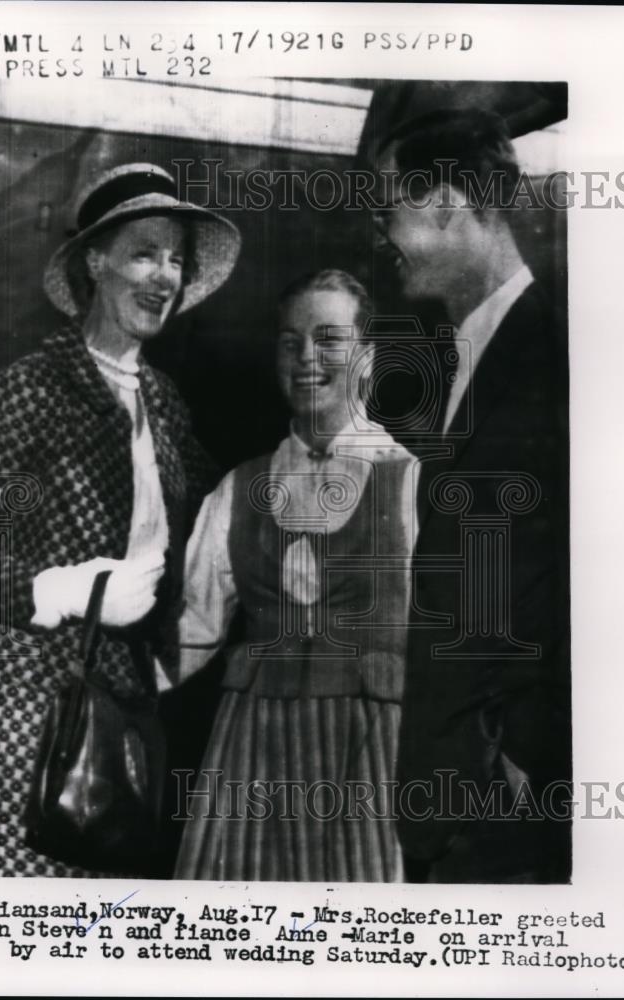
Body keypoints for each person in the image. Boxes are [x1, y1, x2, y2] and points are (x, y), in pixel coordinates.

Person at [0, 162, 241, 876]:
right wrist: (58, 591)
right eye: (143, 252)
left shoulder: (164, 403)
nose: (163, 275)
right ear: (95, 262)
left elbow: (214, 524)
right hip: (28, 723)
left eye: (175, 259)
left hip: (124, 718)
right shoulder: (33, 392)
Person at [372, 109, 571, 882]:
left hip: (509, 808)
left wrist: (530, 755)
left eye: (389, 210)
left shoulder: (552, 358)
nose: (380, 235)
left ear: (447, 205)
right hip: (451, 806)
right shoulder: (467, 356)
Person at [170, 269, 417, 882]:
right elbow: (188, 639)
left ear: (367, 357)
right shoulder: (239, 489)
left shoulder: (413, 484)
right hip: (250, 758)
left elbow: (454, 654)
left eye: (329, 338)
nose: (307, 356)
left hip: (371, 763)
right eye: (290, 341)